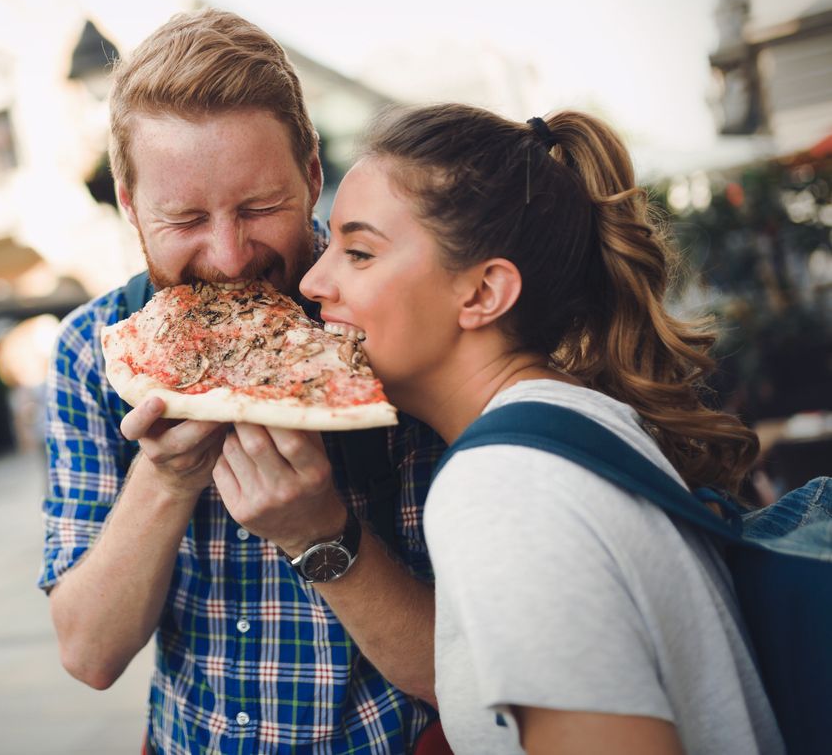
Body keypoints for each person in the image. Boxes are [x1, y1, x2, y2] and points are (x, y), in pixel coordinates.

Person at [285, 102, 784, 753]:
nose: (313, 280)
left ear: (484, 293)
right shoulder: (573, 421)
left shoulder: (502, 488)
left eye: (358, 252)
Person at [39, 9, 446, 754]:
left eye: (259, 208)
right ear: (130, 205)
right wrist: (164, 479)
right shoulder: (89, 351)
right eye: (185, 218)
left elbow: (460, 672)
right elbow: (89, 655)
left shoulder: (392, 320)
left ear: (313, 173)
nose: (228, 257)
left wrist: (320, 533)